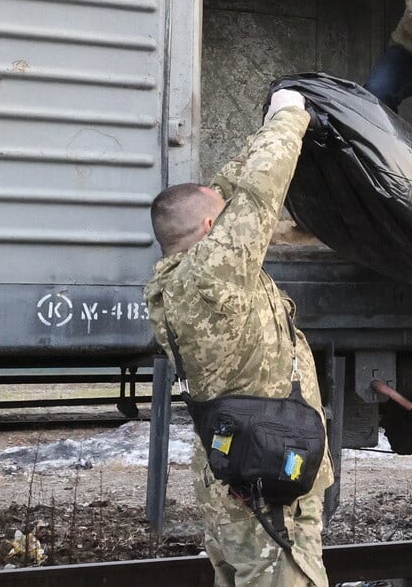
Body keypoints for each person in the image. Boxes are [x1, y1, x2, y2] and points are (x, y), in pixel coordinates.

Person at [144, 89, 333, 587]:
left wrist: (261, 128)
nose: (229, 215)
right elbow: (256, 193)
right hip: (267, 482)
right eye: (220, 217)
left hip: (235, 477)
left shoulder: (177, 279)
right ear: (212, 230)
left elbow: (225, 192)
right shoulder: (213, 275)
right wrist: (290, 117)